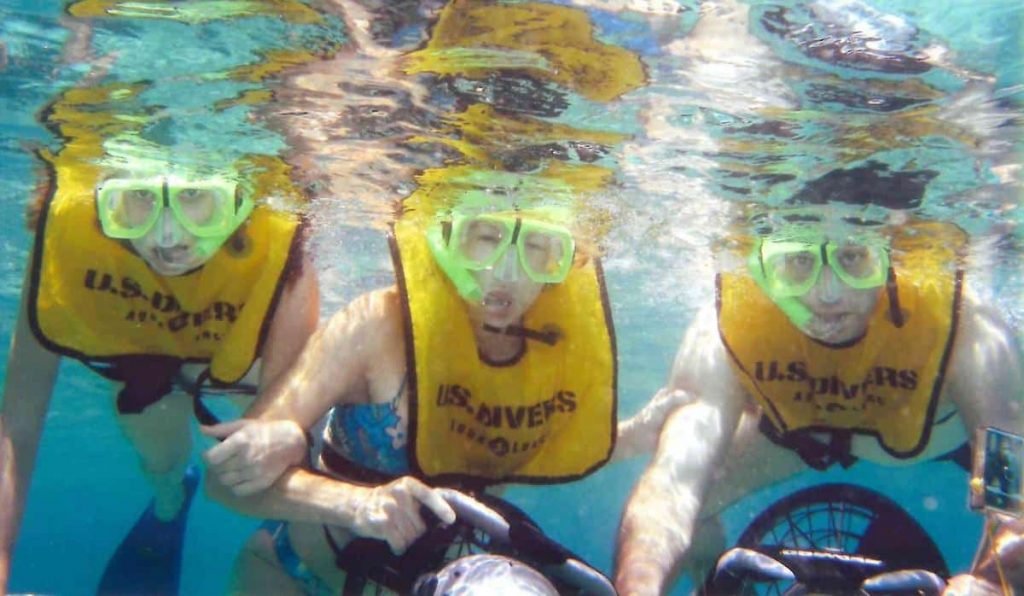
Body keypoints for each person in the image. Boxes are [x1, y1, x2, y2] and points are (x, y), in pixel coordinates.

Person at [201, 179, 682, 594]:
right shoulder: (376, 327)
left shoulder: (540, 355)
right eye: (485, 237)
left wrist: (633, 436)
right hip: (293, 576)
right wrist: (355, 505)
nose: (508, 272)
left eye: (537, 247)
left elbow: (524, 452)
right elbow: (226, 485)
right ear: (444, 238)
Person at [614, 196, 1024, 595]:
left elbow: (1014, 491)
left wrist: (988, 583)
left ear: (890, 258)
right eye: (798, 262)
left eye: (853, 258)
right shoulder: (723, 330)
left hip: (937, 430)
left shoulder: (966, 323)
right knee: (683, 517)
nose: (828, 294)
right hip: (804, 432)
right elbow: (673, 485)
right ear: (763, 265)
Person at [0, 142, 318, 592]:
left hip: (243, 369)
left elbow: (287, 418)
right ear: (103, 200)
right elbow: (16, 422)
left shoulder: (285, 243)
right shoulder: (65, 229)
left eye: (194, 196)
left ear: (241, 202)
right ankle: (170, 497)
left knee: (286, 438)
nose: (167, 237)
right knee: (161, 460)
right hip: (143, 367)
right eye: (140, 198)